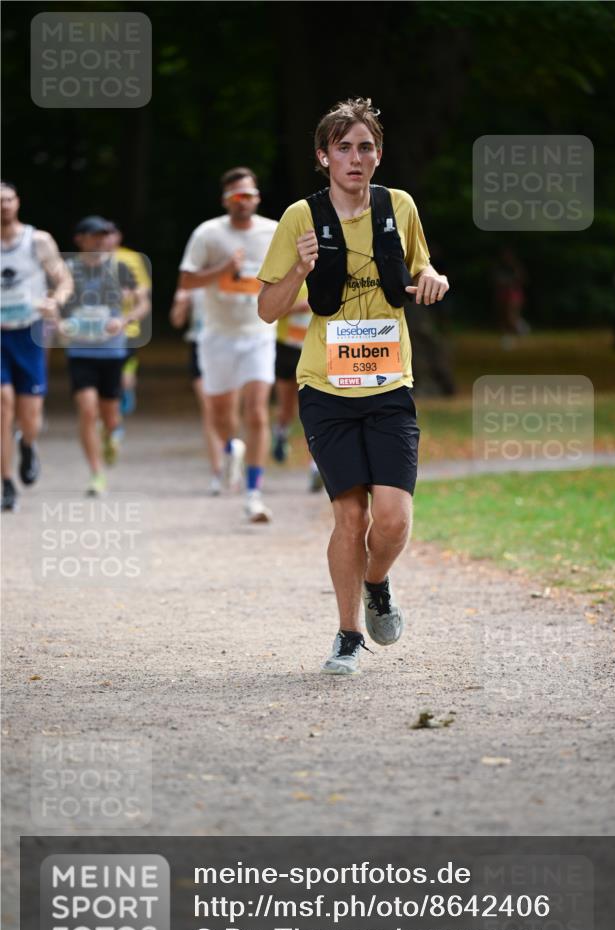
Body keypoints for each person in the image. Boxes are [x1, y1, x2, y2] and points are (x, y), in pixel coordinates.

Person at [258, 97, 449, 675]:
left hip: (390, 382)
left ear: (378, 154)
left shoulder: (400, 206)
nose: (356, 157)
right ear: (324, 156)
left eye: (366, 147)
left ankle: (377, 583)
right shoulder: (300, 217)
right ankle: (346, 635)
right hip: (326, 384)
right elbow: (267, 310)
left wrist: (432, 276)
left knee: (392, 519)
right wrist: (299, 270)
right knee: (350, 517)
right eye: (343, 148)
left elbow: (420, 269)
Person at [178, 167, 278, 523]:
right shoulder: (208, 234)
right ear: (226, 201)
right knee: (221, 416)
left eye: (248, 195)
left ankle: (253, 493)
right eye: (236, 197)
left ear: (257, 198)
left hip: (258, 334)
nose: (243, 202)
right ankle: (229, 448)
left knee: (255, 410)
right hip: (217, 335)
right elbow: (187, 279)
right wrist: (222, 269)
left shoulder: (274, 231)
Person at [60, 216, 149, 496]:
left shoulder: (121, 268)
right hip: (80, 350)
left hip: (112, 350)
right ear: (80, 240)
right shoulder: (67, 269)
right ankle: (96, 473)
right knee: (87, 410)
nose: (101, 240)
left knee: (111, 414)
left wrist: (124, 321)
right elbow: (54, 300)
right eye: (94, 235)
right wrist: (58, 319)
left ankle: (112, 436)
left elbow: (142, 303)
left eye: (105, 235)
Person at [1, 181, 73, 511]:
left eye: (8, 199)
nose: (4, 206)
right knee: (4, 403)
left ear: (18, 202)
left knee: (30, 414)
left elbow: (64, 279)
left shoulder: (38, 240)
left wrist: (54, 301)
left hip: (28, 332)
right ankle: (6, 482)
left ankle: (28, 444)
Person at [169, 283, 224, 494]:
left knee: (227, 410)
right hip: (200, 346)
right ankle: (218, 471)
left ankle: (232, 456)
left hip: (229, 345)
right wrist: (181, 304)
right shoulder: (192, 275)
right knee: (210, 409)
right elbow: (176, 320)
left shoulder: (238, 267)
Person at [272, 281, 323, 492]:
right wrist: (298, 307)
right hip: (287, 348)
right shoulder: (289, 276)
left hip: (315, 348)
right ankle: (281, 432)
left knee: (312, 411)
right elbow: (269, 312)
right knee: (287, 409)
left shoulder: (326, 273)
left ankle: (316, 467)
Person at [104, 223, 152, 417]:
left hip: (127, 327)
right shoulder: (88, 260)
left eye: (110, 234)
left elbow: (143, 290)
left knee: (124, 369)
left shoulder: (131, 258)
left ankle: (124, 395)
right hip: (96, 329)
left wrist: (128, 297)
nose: (106, 238)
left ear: (119, 236)